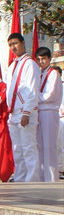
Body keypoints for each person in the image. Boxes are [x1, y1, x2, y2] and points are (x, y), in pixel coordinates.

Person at [0, 33, 40, 182]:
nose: (13, 47)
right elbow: (10, 88)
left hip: (25, 112)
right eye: (10, 44)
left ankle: (32, 180)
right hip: (13, 113)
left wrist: (27, 112)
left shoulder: (30, 64)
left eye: (15, 43)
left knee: (28, 148)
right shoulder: (13, 65)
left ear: (23, 43)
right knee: (17, 150)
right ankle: (20, 177)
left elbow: (31, 90)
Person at [35, 47, 63, 182]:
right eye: (39, 59)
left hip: (49, 111)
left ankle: (51, 179)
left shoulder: (53, 74)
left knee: (49, 146)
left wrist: (35, 97)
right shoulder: (40, 74)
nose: (41, 62)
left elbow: (49, 95)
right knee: (39, 145)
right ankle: (42, 177)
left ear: (49, 59)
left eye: (44, 59)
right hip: (39, 111)